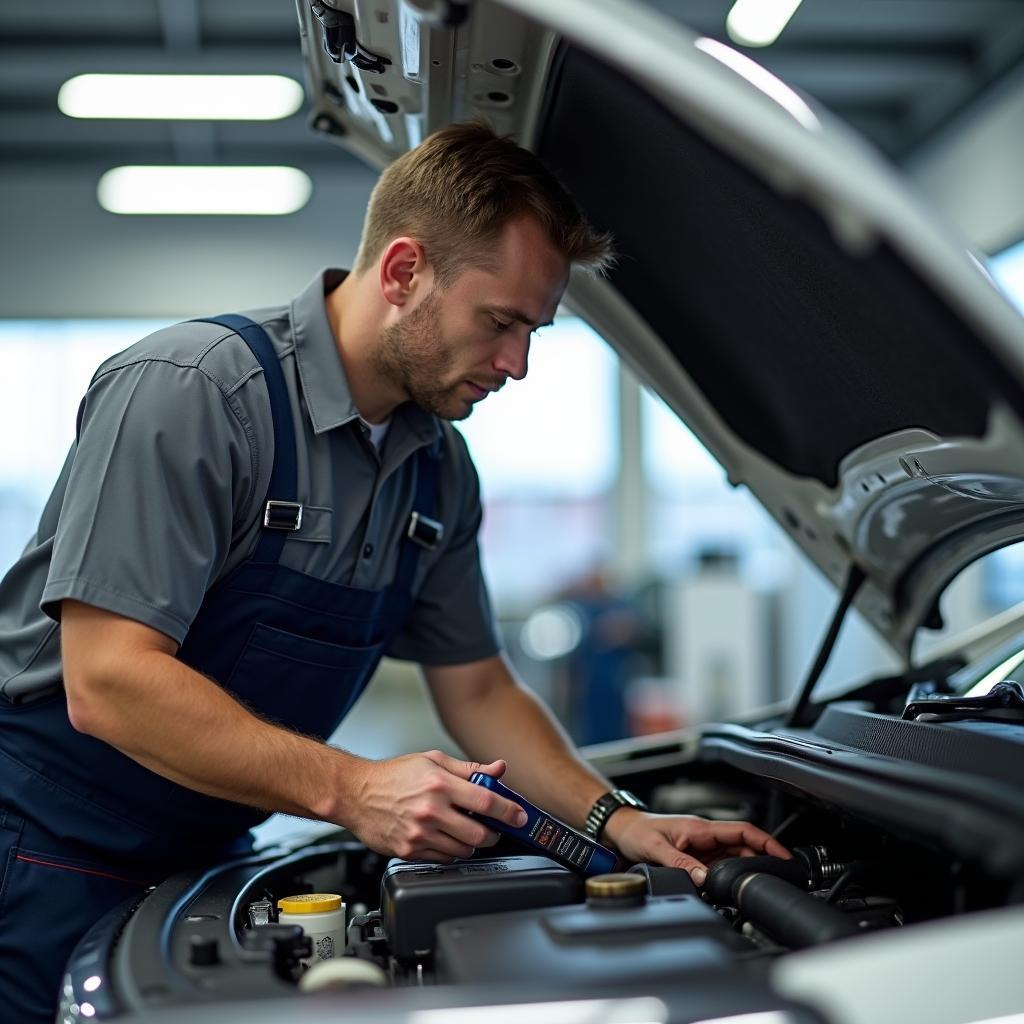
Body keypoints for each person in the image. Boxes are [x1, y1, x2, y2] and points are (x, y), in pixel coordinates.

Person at [0, 122, 788, 1022]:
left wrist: (614, 820)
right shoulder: (196, 394)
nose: (518, 365)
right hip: (40, 854)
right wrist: (353, 788)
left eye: (534, 332)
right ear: (405, 270)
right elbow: (108, 682)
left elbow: (481, 687)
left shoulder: (437, 470)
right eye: (499, 323)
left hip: (202, 856)